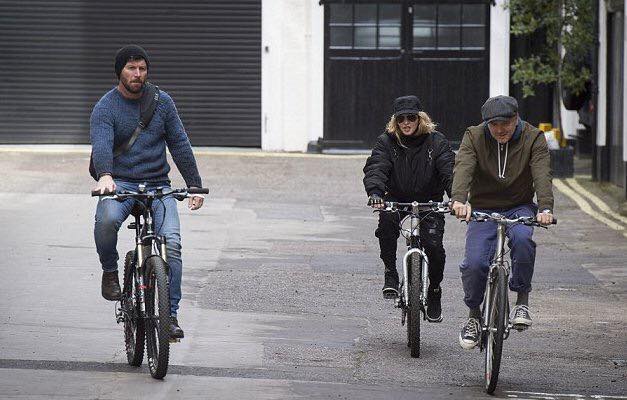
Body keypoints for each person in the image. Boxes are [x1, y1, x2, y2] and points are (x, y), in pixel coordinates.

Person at [90, 44, 204, 339]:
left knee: (173, 245)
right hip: (121, 184)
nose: (137, 74)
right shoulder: (106, 106)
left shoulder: (162, 102)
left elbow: (179, 142)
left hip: (158, 186)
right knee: (105, 220)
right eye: (131, 68)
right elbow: (101, 144)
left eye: (142, 68)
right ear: (120, 72)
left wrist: (194, 184)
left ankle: (171, 317)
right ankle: (110, 271)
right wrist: (105, 175)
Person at [451, 95, 554, 349]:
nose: (499, 130)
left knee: (522, 240)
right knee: (474, 263)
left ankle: (521, 301)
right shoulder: (474, 136)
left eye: (505, 123)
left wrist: (545, 207)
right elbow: (463, 167)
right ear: (486, 123)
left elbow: (542, 173)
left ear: (516, 118)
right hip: (483, 206)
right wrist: (459, 200)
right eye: (493, 125)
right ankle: (474, 316)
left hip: (519, 206)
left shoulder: (533, 137)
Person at [363, 95, 454, 322]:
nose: (406, 123)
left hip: (430, 201)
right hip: (396, 198)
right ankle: (390, 273)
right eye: (401, 118)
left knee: (433, 245)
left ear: (420, 118)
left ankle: (434, 290)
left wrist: (457, 197)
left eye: (411, 117)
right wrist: (375, 193)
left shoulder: (437, 141)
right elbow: (377, 166)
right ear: (395, 121)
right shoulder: (386, 141)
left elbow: (449, 171)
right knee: (386, 225)